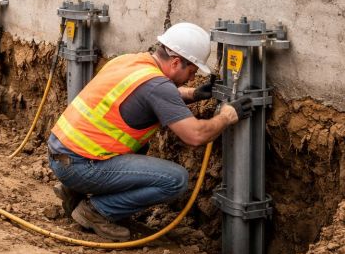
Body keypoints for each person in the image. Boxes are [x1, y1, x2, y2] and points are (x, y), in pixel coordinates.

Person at [48, 22, 253, 241]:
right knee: (175, 180)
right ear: (175, 62)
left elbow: (148, 94)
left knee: (140, 144)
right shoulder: (158, 87)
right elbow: (195, 135)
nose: (192, 78)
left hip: (60, 157)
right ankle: (96, 210)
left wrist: (193, 94)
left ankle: (75, 191)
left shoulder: (130, 61)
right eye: (192, 72)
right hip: (81, 167)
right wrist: (226, 116)